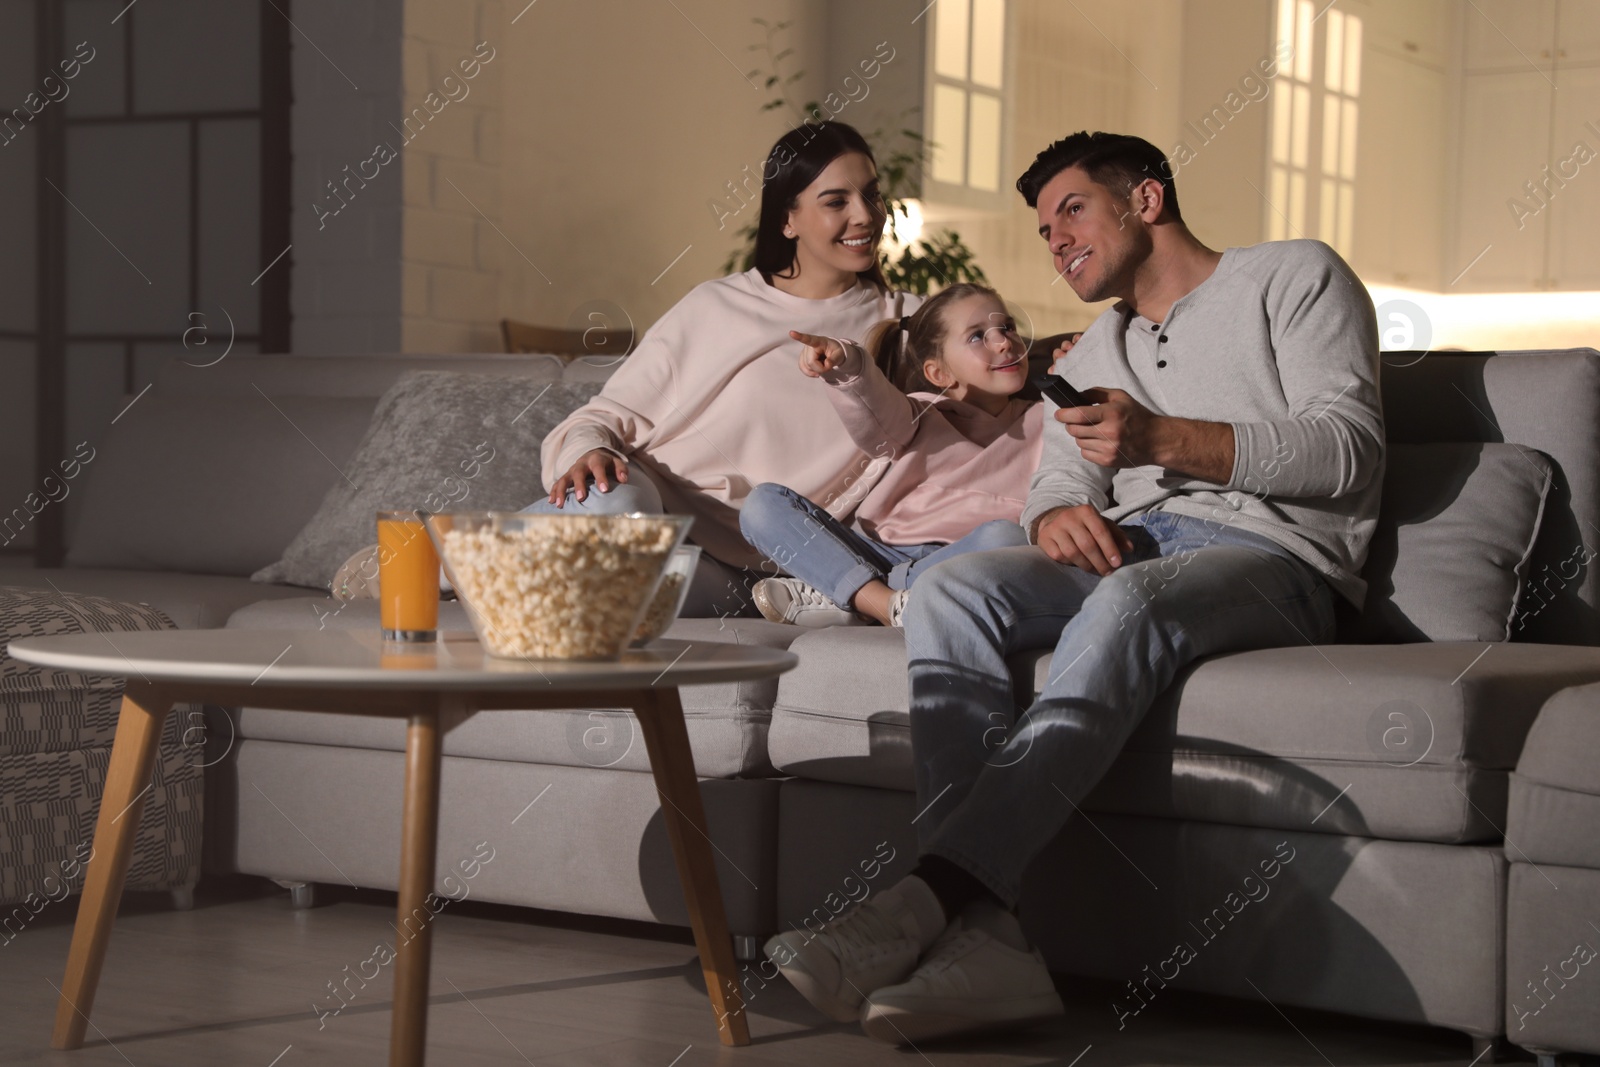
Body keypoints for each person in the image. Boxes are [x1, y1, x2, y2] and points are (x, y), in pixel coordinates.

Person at [763, 131, 1384, 1044]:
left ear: (1147, 199)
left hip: (1273, 559)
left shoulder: (1293, 277)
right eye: (1045, 228)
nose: (1056, 239)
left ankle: (928, 896)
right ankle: (987, 944)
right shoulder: (1098, 346)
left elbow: (1348, 448)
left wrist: (1164, 440)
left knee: (1126, 602)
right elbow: (1059, 477)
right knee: (949, 590)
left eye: (1072, 211)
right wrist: (1055, 516)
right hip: (1133, 546)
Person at [531, 122, 923, 617]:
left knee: (621, 594)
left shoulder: (912, 323)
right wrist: (588, 450)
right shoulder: (717, 307)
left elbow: (992, 375)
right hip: (661, 518)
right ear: (788, 219)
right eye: (836, 201)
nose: (866, 215)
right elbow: (602, 418)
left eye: (871, 195)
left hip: (766, 570)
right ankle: (446, 558)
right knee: (613, 508)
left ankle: (482, 569)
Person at [739, 283, 1042, 628]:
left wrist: (1080, 368)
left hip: (960, 560)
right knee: (761, 505)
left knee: (1008, 538)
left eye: (1007, 327)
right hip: (876, 551)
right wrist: (846, 362)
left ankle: (856, 596)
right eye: (977, 336)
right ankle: (886, 604)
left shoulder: (1049, 421)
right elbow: (874, 403)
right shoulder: (918, 413)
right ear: (938, 373)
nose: (1004, 341)